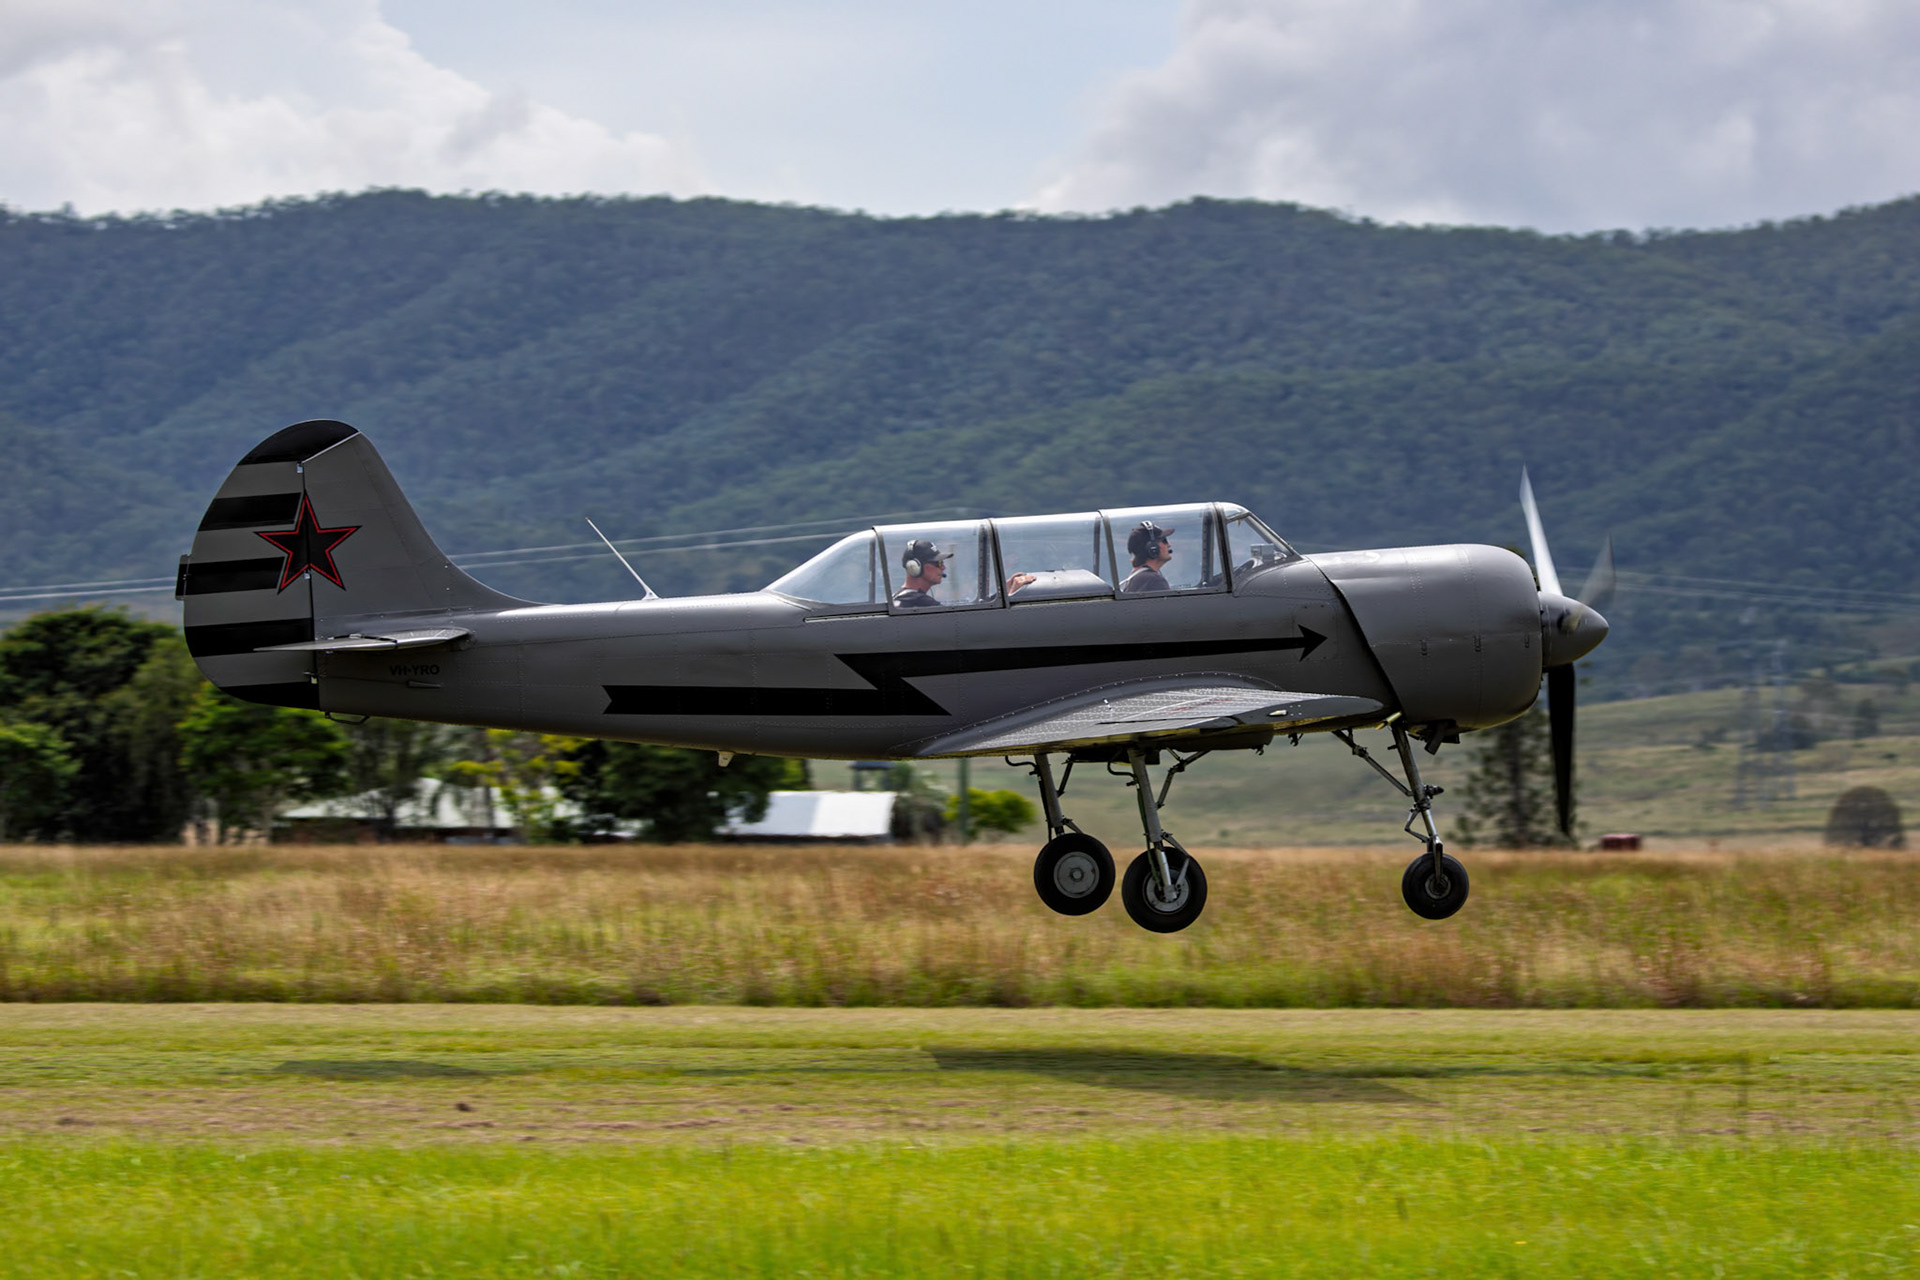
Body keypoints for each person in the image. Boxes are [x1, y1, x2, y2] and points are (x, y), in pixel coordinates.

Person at [891, 538, 951, 608]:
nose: (943, 567)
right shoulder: (921, 602)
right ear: (914, 567)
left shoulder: (896, 598)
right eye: (938, 563)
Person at [1121, 521, 1175, 594]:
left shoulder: (1138, 578)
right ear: (1153, 548)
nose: (1168, 545)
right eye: (1164, 541)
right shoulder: (1154, 581)